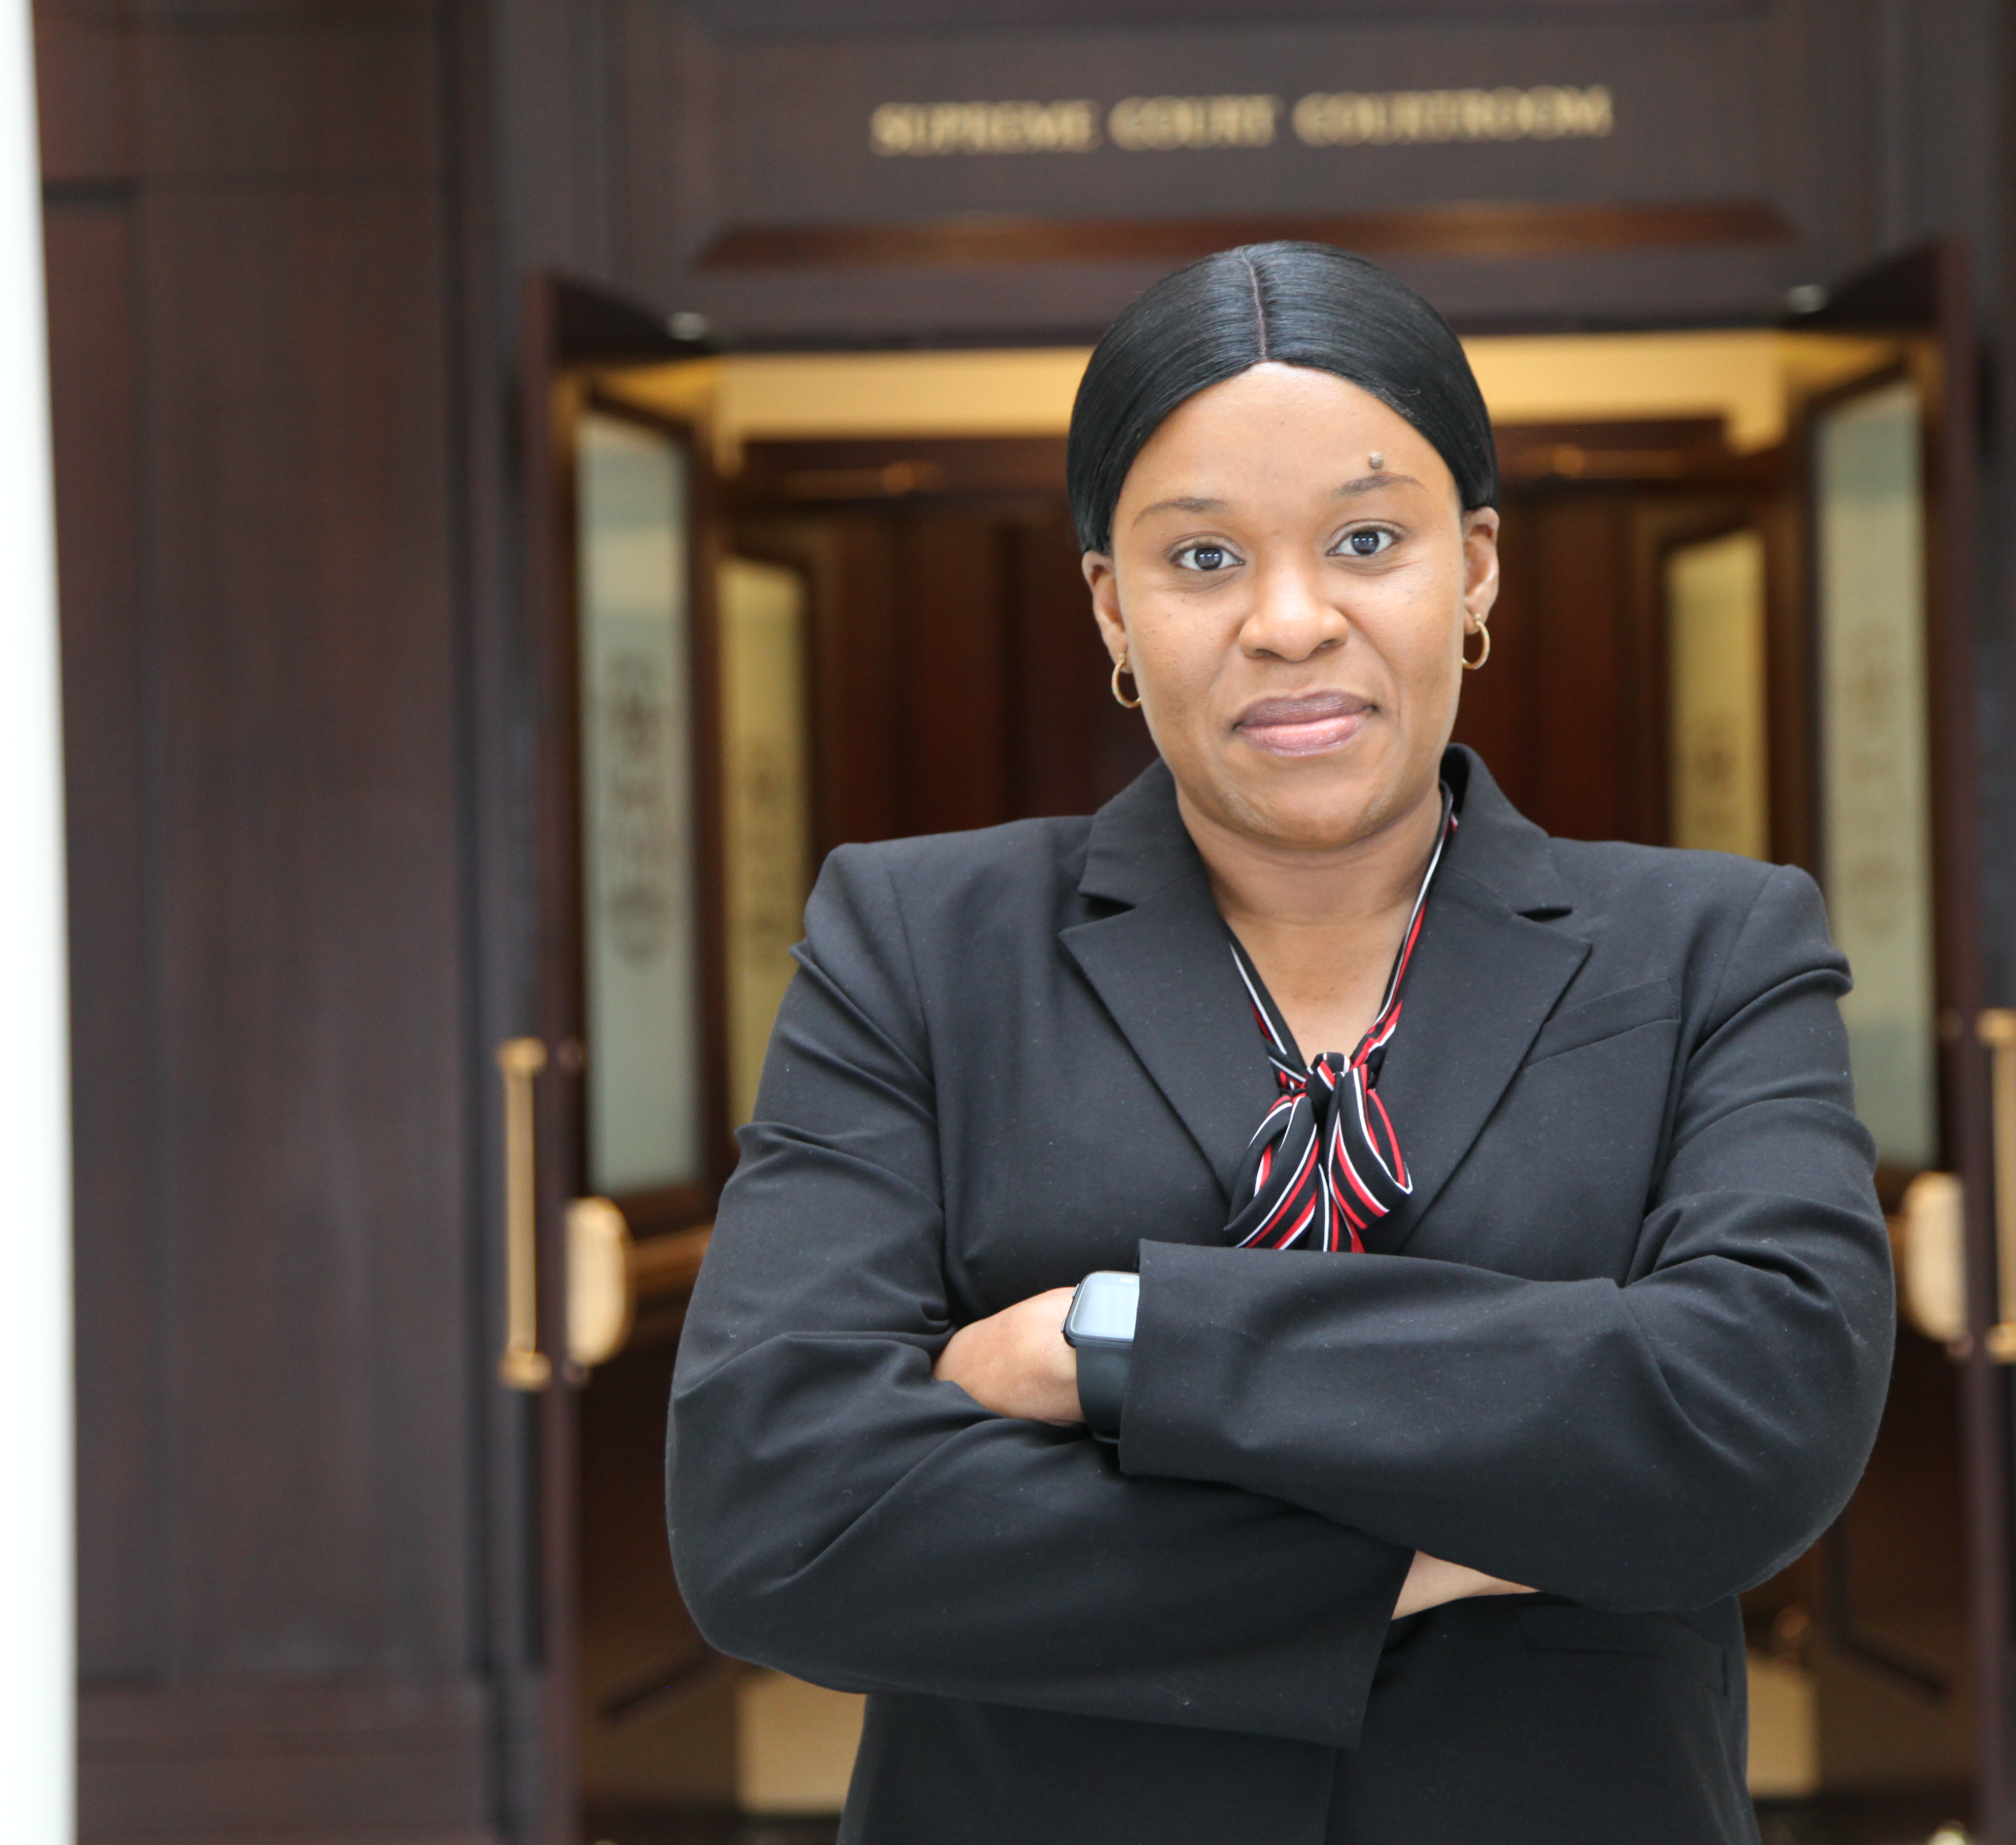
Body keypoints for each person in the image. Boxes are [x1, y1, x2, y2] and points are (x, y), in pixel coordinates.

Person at [667, 241, 1892, 1844]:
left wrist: (1117, 1346)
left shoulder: (1716, 948)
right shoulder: (917, 945)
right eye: (1203, 558)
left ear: (1477, 568)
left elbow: (1754, 1418)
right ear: (1111, 603)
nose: (1292, 622)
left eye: (1367, 540)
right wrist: (1449, 1545)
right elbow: (777, 1521)